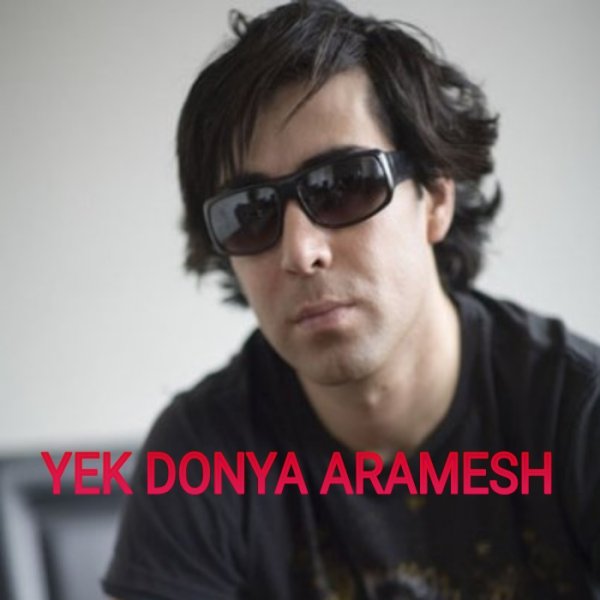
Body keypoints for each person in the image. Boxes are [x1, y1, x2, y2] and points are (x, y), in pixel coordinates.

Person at [102, 1, 600, 598]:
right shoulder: (202, 457)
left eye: (345, 185)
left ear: (436, 197)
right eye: (250, 213)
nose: (300, 251)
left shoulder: (576, 415)